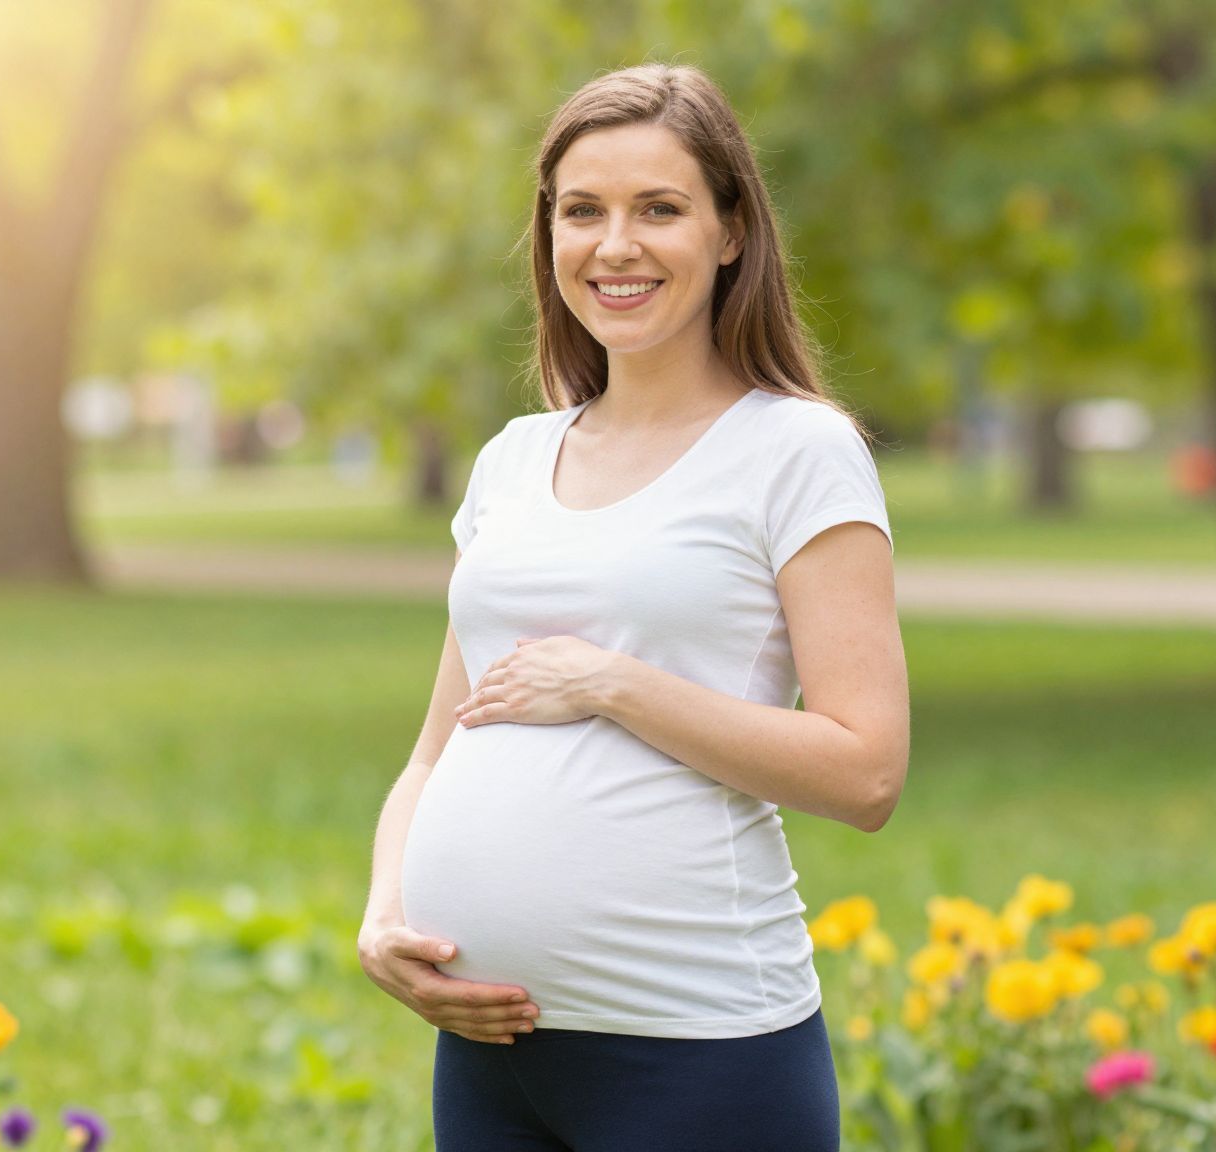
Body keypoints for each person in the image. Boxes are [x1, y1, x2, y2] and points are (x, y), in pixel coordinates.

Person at [357, 63, 910, 1152]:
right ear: (547, 235)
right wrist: (384, 915)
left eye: (658, 208)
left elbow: (866, 771)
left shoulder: (794, 450)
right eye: (581, 212)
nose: (615, 246)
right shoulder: (513, 461)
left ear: (730, 231)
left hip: (695, 1055)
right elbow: (432, 755)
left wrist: (613, 684)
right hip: (487, 1055)